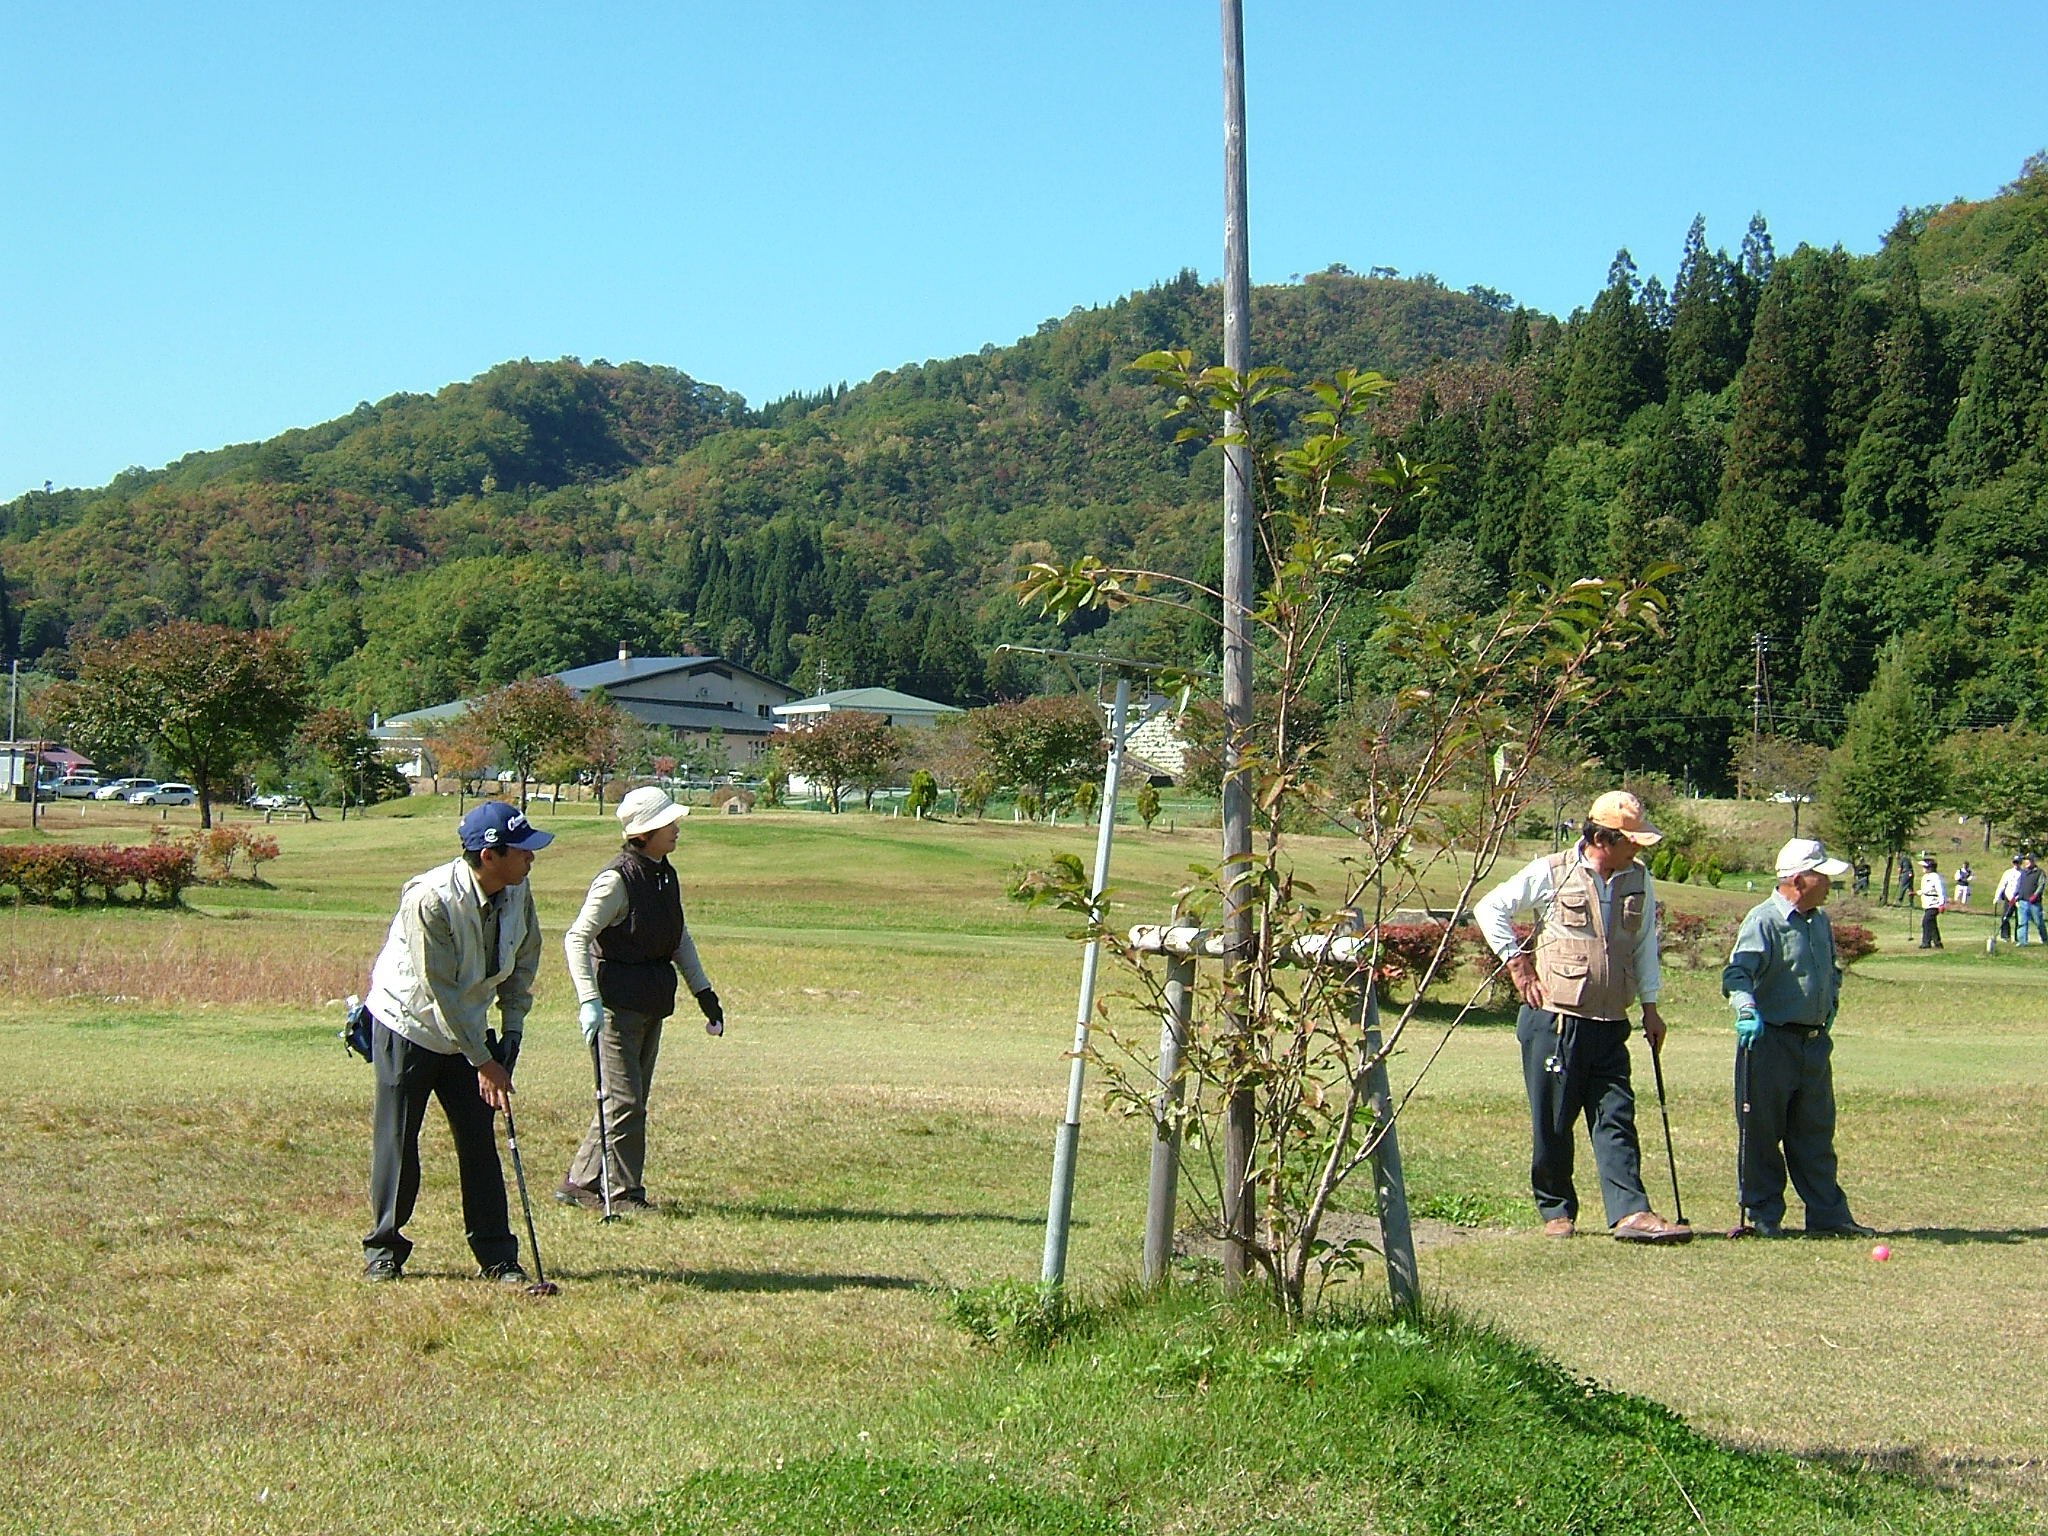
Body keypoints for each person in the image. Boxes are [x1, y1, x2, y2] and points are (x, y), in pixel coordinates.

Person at [1474, 790, 1691, 1244]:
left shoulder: (1640, 879)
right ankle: (1556, 1209)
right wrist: (1517, 964)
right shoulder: (1552, 870)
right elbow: (1489, 907)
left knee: (1617, 1115)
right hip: (1555, 1019)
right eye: (1631, 841)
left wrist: (1651, 1006)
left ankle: (1631, 1212)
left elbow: (1645, 944)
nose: (1638, 849)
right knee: (1553, 1120)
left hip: (1612, 1021)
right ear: (1602, 838)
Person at [360, 801, 551, 1282]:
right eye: (522, 850)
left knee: (479, 1138)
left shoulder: (517, 888)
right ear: (490, 855)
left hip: (468, 1026)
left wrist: (511, 1032)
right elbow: (438, 989)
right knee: (399, 1139)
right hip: (409, 1024)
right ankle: (383, 1250)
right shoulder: (430, 899)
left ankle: (498, 1256)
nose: (532, 858)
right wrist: (484, 1062)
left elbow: (523, 958)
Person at [557, 786, 725, 1212]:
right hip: (614, 1008)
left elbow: (678, 938)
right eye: (670, 823)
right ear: (645, 831)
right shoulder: (617, 880)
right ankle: (624, 1193)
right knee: (626, 1102)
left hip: (652, 1000)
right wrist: (587, 1000)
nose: (676, 829)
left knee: (625, 1102)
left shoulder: (664, 873)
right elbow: (577, 938)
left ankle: (580, 1182)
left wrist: (704, 994)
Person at [1722, 838, 1874, 1238]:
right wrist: (1746, 1010)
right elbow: (1738, 973)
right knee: (1762, 1133)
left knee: (1815, 1132)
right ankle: (1764, 1214)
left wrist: (1832, 1002)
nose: (1829, 883)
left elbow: (1829, 970)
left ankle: (1829, 1216)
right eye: (1822, 875)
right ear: (1797, 879)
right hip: (1770, 1041)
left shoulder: (1818, 920)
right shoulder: (1763, 920)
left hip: (1814, 1043)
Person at [2015, 855, 2047, 946]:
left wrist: (2035, 895)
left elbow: (2041, 885)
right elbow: (2020, 885)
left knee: (2038, 922)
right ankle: (2022, 942)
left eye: (2028, 860)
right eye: (2025, 860)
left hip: (2034, 902)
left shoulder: (2040, 872)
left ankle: (2045, 939)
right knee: (2022, 922)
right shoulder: (2023, 872)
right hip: (2022, 901)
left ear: (2033, 861)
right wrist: (2016, 896)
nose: (2026, 862)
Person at [1917, 856, 1946, 950]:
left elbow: (1941, 891)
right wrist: (1916, 893)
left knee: (1926, 921)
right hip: (1927, 903)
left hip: (1935, 903)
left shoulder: (1936, 877)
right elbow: (1926, 890)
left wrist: (1941, 904)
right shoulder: (1925, 877)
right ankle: (1937, 943)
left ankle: (1926, 942)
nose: (1923, 869)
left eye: (1925, 867)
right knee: (1932, 923)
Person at [1994, 855, 2023, 941]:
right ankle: (2005, 936)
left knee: (2020, 919)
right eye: (2015, 862)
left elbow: (2023, 887)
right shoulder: (2008, 872)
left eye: (2018, 862)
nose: (2016, 864)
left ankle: (2019, 937)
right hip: (2008, 897)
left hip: (2019, 898)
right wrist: (1997, 897)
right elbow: (2002, 885)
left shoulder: (2024, 873)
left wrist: (2018, 897)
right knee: (2005, 917)